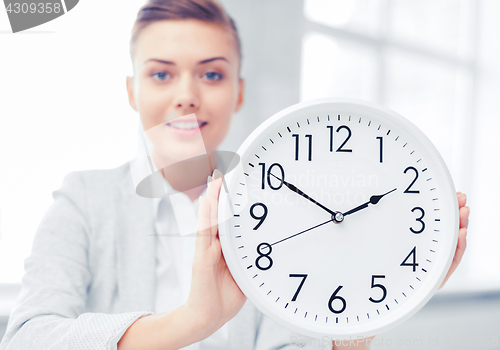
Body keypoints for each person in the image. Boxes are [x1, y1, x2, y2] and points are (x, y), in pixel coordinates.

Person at [0, 0, 470, 349]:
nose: (186, 95)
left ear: (238, 92)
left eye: (212, 75)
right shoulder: (84, 200)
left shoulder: (280, 208)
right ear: (132, 91)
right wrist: (192, 321)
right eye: (161, 75)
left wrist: (361, 322)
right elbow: (27, 337)